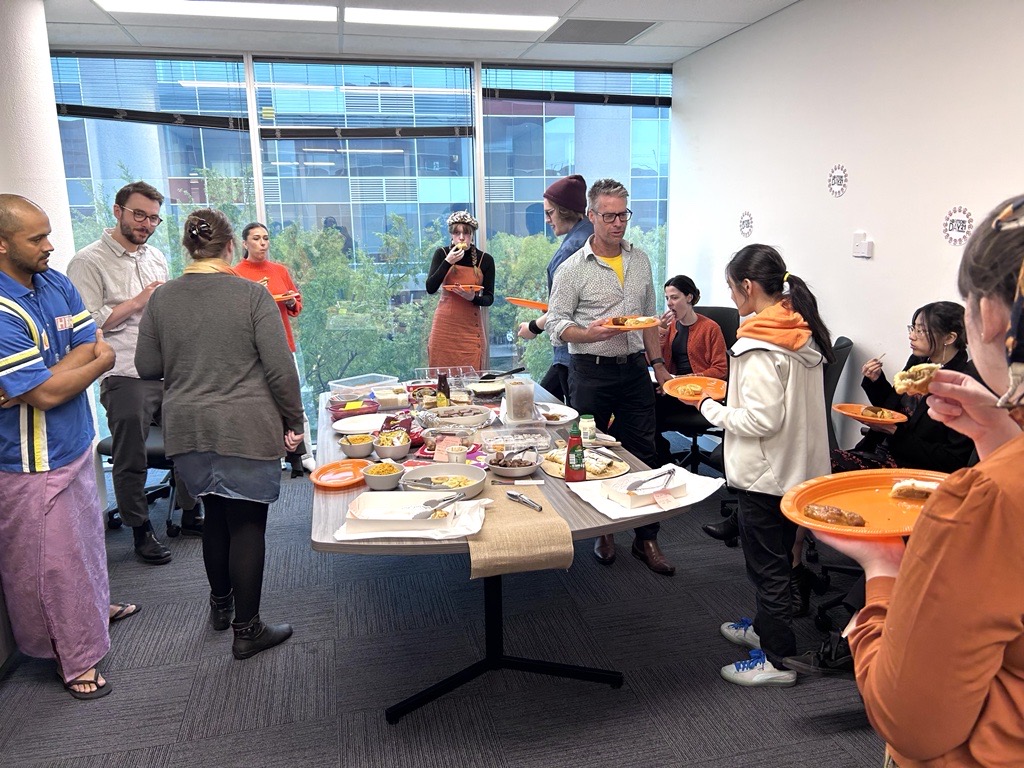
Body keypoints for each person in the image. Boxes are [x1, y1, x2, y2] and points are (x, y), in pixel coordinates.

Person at [816, 196, 1024, 766]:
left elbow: (911, 722)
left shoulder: (985, 504)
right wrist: (1001, 440)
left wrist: (883, 577)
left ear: (992, 320)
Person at [135, 208, 303, 660]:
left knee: (215, 515)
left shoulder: (162, 298)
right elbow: (280, 369)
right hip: (244, 426)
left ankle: (220, 607)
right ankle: (247, 630)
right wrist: (295, 422)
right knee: (247, 523)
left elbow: (147, 367)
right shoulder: (251, 295)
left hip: (187, 427)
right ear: (231, 247)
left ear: (188, 248)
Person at [0, 194, 139, 700]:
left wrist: (45, 378)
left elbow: (90, 338)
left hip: (75, 438)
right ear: (1, 243)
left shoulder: (53, 281)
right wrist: (90, 367)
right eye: (37, 238)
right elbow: (48, 392)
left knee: (85, 544)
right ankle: (74, 658)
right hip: (31, 461)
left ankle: (93, 611)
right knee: (49, 564)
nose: (50, 246)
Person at [693, 244, 834, 687]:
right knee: (777, 561)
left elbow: (760, 419)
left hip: (765, 476)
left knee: (767, 568)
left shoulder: (757, 346)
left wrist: (709, 407)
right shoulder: (801, 332)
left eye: (733, 290)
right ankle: (764, 628)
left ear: (749, 287)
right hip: (798, 471)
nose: (733, 298)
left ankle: (776, 660)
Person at [546, 178, 675, 575]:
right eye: (609, 215)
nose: (618, 223)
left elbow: (649, 320)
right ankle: (602, 531)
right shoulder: (571, 268)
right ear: (591, 216)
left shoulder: (641, 260)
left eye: (623, 214)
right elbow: (555, 324)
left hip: (635, 371)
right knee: (589, 453)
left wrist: (659, 367)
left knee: (645, 453)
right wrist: (590, 333)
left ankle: (645, 536)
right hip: (590, 372)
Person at [68, 180, 200, 565]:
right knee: (131, 455)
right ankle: (140, 529)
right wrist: (139, 301)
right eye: (139, 214)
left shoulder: (155, 256)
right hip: (125, 373)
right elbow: (86, 326)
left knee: (191, 436)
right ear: (118, 210)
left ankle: (191, 513)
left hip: (166, 369)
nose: (146, 224)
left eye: (154, 218)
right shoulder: (88, 261)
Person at [832, 301, 979, 474]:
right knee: (819, 459)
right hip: (880, 450)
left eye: (921, 331)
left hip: (913, 466)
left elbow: (952, 460)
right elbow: (894, 411)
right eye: (912, 328)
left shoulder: (962, 384)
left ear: (949, 338)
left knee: (827, 464)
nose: (912, 336)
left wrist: (894, 432)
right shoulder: (919, 361)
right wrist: (876, 381)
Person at [235, 222, 315, 477]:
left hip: (283, 343)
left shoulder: (279, 270)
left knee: (293, 400)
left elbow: (296, 304)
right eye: (256, 238)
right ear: (244, 243)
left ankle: (303, 455)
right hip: (251, 351)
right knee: (262, 404)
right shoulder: (235, 273)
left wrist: (291, 301)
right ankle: (271, 455)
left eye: (266, 238)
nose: (262, 243)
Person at [516, 174, 593, 402]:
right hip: (579, 351)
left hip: (573, 352)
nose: (547, 220)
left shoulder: (572, 247)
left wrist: (533, 326)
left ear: (566, 210)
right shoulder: (589, 235)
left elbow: (564, 311)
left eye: (550, 213)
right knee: (542, 399)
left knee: (571, 420)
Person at [653, 275, 728, 465]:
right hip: (674, 392)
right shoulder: (670, 327)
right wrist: (660, 334)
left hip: (702, 396)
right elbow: (653, 361)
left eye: (675, 297)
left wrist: (684, 381)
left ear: (689, 297)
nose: (670, 303)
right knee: (642, 409)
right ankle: (664, 460)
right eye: (667, 298)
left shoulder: (710, 328)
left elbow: (721, 370)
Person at [425, 211, 495, 370]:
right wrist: (448, 262)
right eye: (457, 233)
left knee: (472, 377)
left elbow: (489, 298)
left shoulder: (486, 260)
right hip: (444, 326)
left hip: (470, 328)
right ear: (451, 235)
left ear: (472, 235)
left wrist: (473, 298)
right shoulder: (441, 254)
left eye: (466, 233)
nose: (461, 237)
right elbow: (430, 288)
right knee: (441, 377)